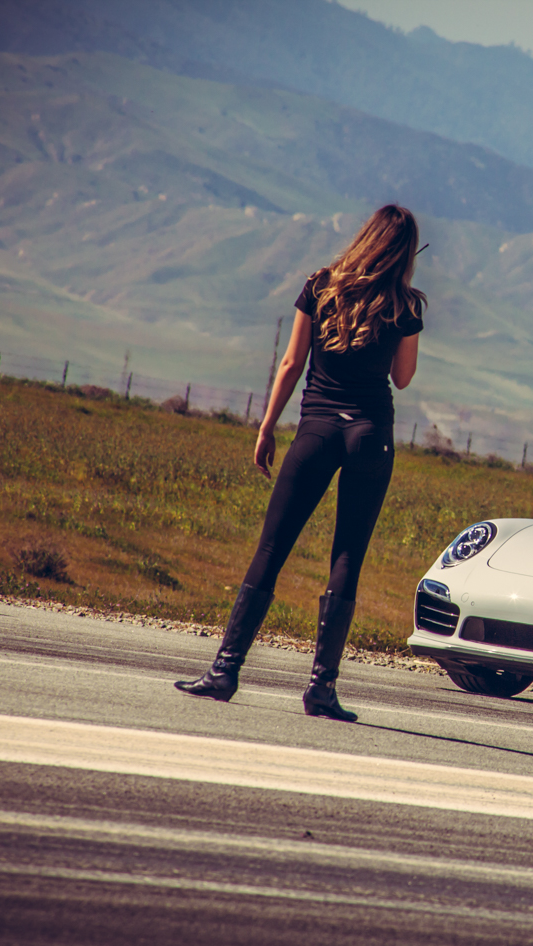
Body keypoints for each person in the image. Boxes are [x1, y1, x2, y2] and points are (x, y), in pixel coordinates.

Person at [176, 205, 425, 721]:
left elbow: (291, 362)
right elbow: (402, 378)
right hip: (370, 435)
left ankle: (225, 670)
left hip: (314, 430)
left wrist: (267, 427)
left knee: (272, 546)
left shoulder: (321, 285)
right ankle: (321, 688)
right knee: (347, 557)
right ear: (404, 252)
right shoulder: (405, 304)